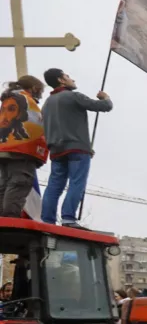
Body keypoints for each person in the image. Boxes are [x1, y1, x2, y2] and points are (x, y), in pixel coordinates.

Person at [40, 69, 112, 228]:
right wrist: (105, 97)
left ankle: (47, 221)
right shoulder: (73, 96)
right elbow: (105, 106)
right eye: (68, 76)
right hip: (77, 149)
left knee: (54, 186)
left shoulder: (47, 104)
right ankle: (68, 218)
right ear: (61, 80)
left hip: (56, 150)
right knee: (76, 182)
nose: (72, 79)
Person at [0, 76, 47, 218]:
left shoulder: (9, 99)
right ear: (34, 88)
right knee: (19, 184)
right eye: (40, 91)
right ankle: (11, 220)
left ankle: (3, 218)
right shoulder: (26, 101)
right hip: (21, 150)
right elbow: (36, 125)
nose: (40, 94)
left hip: (5, 148)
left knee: (4, 186)